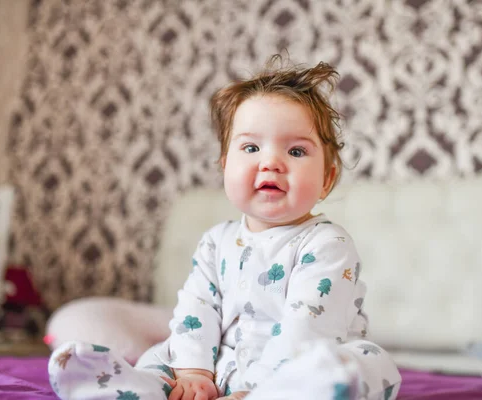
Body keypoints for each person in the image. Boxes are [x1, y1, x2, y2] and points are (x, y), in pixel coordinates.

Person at [48, 55, 401, 400]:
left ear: (326, 179)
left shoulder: (327, 243)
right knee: (164, 353)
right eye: (251, 147)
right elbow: (196, 308)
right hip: (224, 364)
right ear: (225, 165)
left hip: (295, 369)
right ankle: (125, 387)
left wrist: (260, 386)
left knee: (369, 363)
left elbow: (308, 328)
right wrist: (193, 371)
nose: (271, 162)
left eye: (295, 152)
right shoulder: (216, 242)